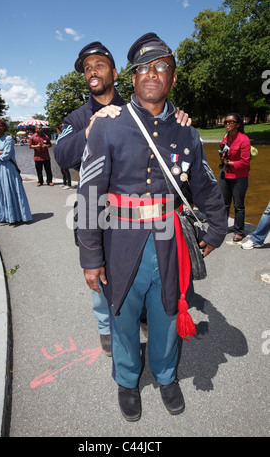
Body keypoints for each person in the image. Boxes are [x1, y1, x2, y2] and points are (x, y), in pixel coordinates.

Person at [77, 32, 227, 421]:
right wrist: (91, 256)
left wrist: (214, 231)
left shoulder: (186, 131)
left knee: (166, 313)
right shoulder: (109, 126)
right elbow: (89, 194)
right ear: (132, 77)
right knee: (123, 317)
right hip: (120, 241)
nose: (152, 74)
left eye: (162, 67)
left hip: (168, 240)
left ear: (173, 78)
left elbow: (207, 185)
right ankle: (128, 380)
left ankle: (165, 374)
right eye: (143, 68)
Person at [54, 41, 191, 357]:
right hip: (97, 212)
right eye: (87, 68)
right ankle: (107, 325)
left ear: (116, 73)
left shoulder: (139, 105)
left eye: (99, 65)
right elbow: (61, 155)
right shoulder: (76, 117)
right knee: (101, 279)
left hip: (142, 217)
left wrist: (180, 119)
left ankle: (141, 315)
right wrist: (90, 128)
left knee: (141, 273)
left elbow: (167, 135)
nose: (92, 72)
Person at [0, 119, 32, 225]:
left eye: (0, 126)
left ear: (4, 127)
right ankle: (6, 216)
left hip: (9, 169)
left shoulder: (9, 139)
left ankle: (16, 216)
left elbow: (6, 156)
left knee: (11, 190)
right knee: (2, 191)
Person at [218, 113, 251, 242]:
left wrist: (229, 163)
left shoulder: (244, 139)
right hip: (225, 174)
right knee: (224, 204)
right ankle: (222, 227)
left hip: (239, 176)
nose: (227, 124)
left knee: (238, 205)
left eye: (231, 122)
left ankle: (238, 231)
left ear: (237, 124)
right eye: (226, 122)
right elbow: (224, 151)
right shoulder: (226, 138)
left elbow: (245, 162)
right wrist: (223, 158)